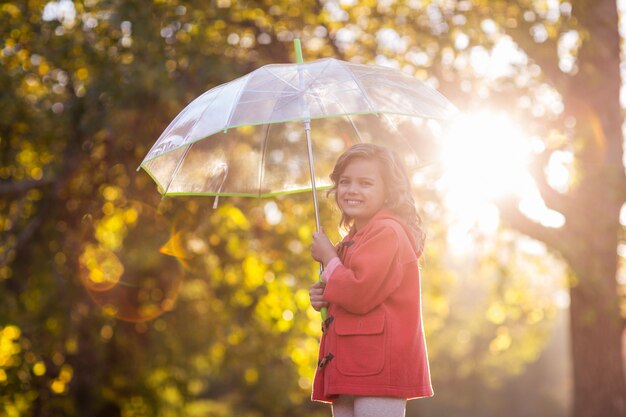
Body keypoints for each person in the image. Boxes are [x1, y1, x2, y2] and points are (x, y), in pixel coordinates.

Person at [309, 143, 433, 417]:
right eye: (345, 182)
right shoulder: (352, 239)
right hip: (348, 364)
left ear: (388, 192)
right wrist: (323, 293)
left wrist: (329, 258)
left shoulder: (387, 232)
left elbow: (358, 293)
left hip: (377, 369)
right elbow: (344, 288)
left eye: (365, 183)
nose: (352, 190)